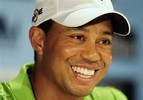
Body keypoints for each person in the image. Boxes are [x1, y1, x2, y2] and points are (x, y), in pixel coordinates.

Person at [0, 0, 131, 100]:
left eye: (104, 41)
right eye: (78, 37)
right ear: (38, 40)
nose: (92, 55)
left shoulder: (113, 98)